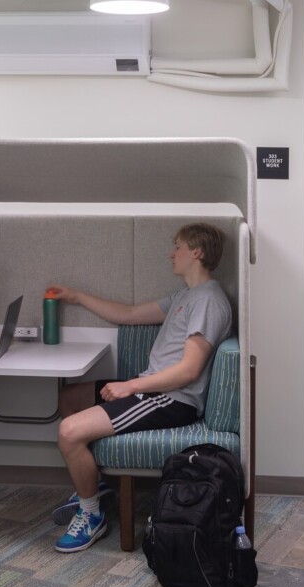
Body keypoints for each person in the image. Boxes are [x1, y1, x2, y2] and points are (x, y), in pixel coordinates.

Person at [47, 223, 234, 553]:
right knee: (69, 397)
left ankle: (91, 516)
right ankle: (96, 486)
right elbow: (131, 314)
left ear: (197, 252)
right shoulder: (187, 296)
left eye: (177, 246)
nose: (170, 253)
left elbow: (188, 371)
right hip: (153, 391)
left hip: (171, 399)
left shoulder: (208, 302)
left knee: (69, 431)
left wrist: (130, 386)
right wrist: (76, 296)